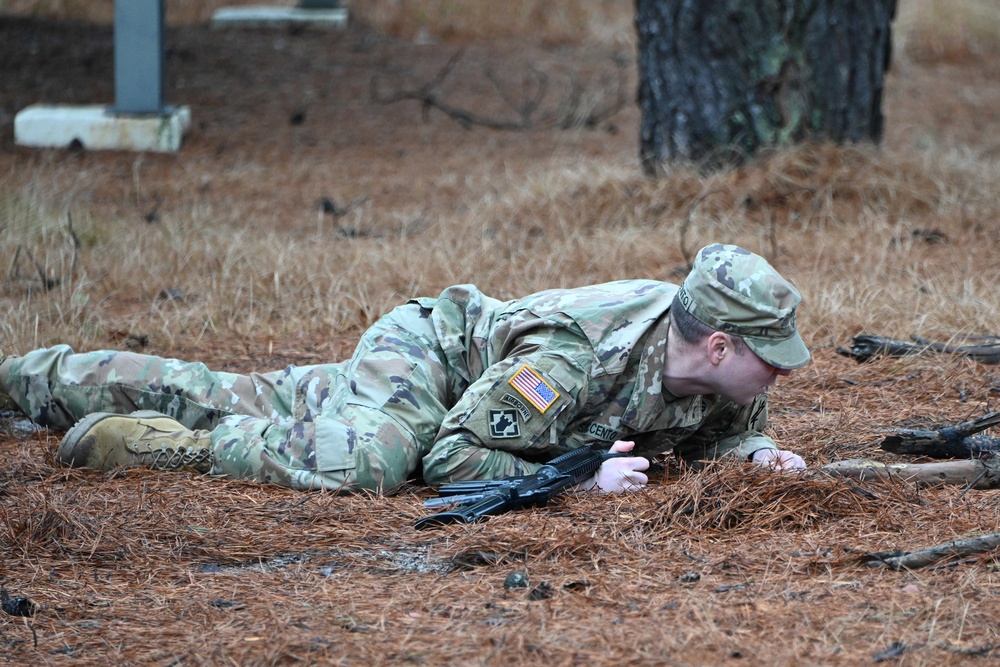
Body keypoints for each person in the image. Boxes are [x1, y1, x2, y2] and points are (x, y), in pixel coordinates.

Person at [0, 243, 810, 494]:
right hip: (433, 359)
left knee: (236, 391)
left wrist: (756, 455)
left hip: (466, 387)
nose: (782, 375)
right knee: (377, 459)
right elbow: (450, 455)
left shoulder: (717, 376)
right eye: (770, 360)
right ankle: (159, 445)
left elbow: (715, 439)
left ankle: (28, 378)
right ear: (719, 347)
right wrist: (579, 483)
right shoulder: (575, 358)